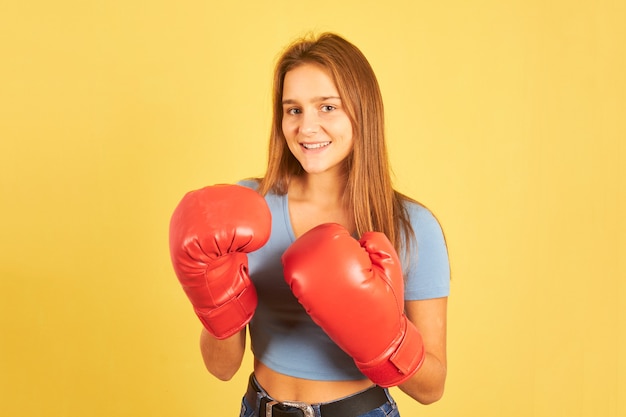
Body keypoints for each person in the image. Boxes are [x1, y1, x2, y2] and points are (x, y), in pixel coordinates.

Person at [169, 32, 450, 417]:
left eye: (327, 107)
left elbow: (431, 387)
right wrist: (216, 299)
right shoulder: (249, 208)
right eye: (294, 110)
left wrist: (388, 340)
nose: (307, 128)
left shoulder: (412, 227)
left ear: (361, 111)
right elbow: (222, 368)